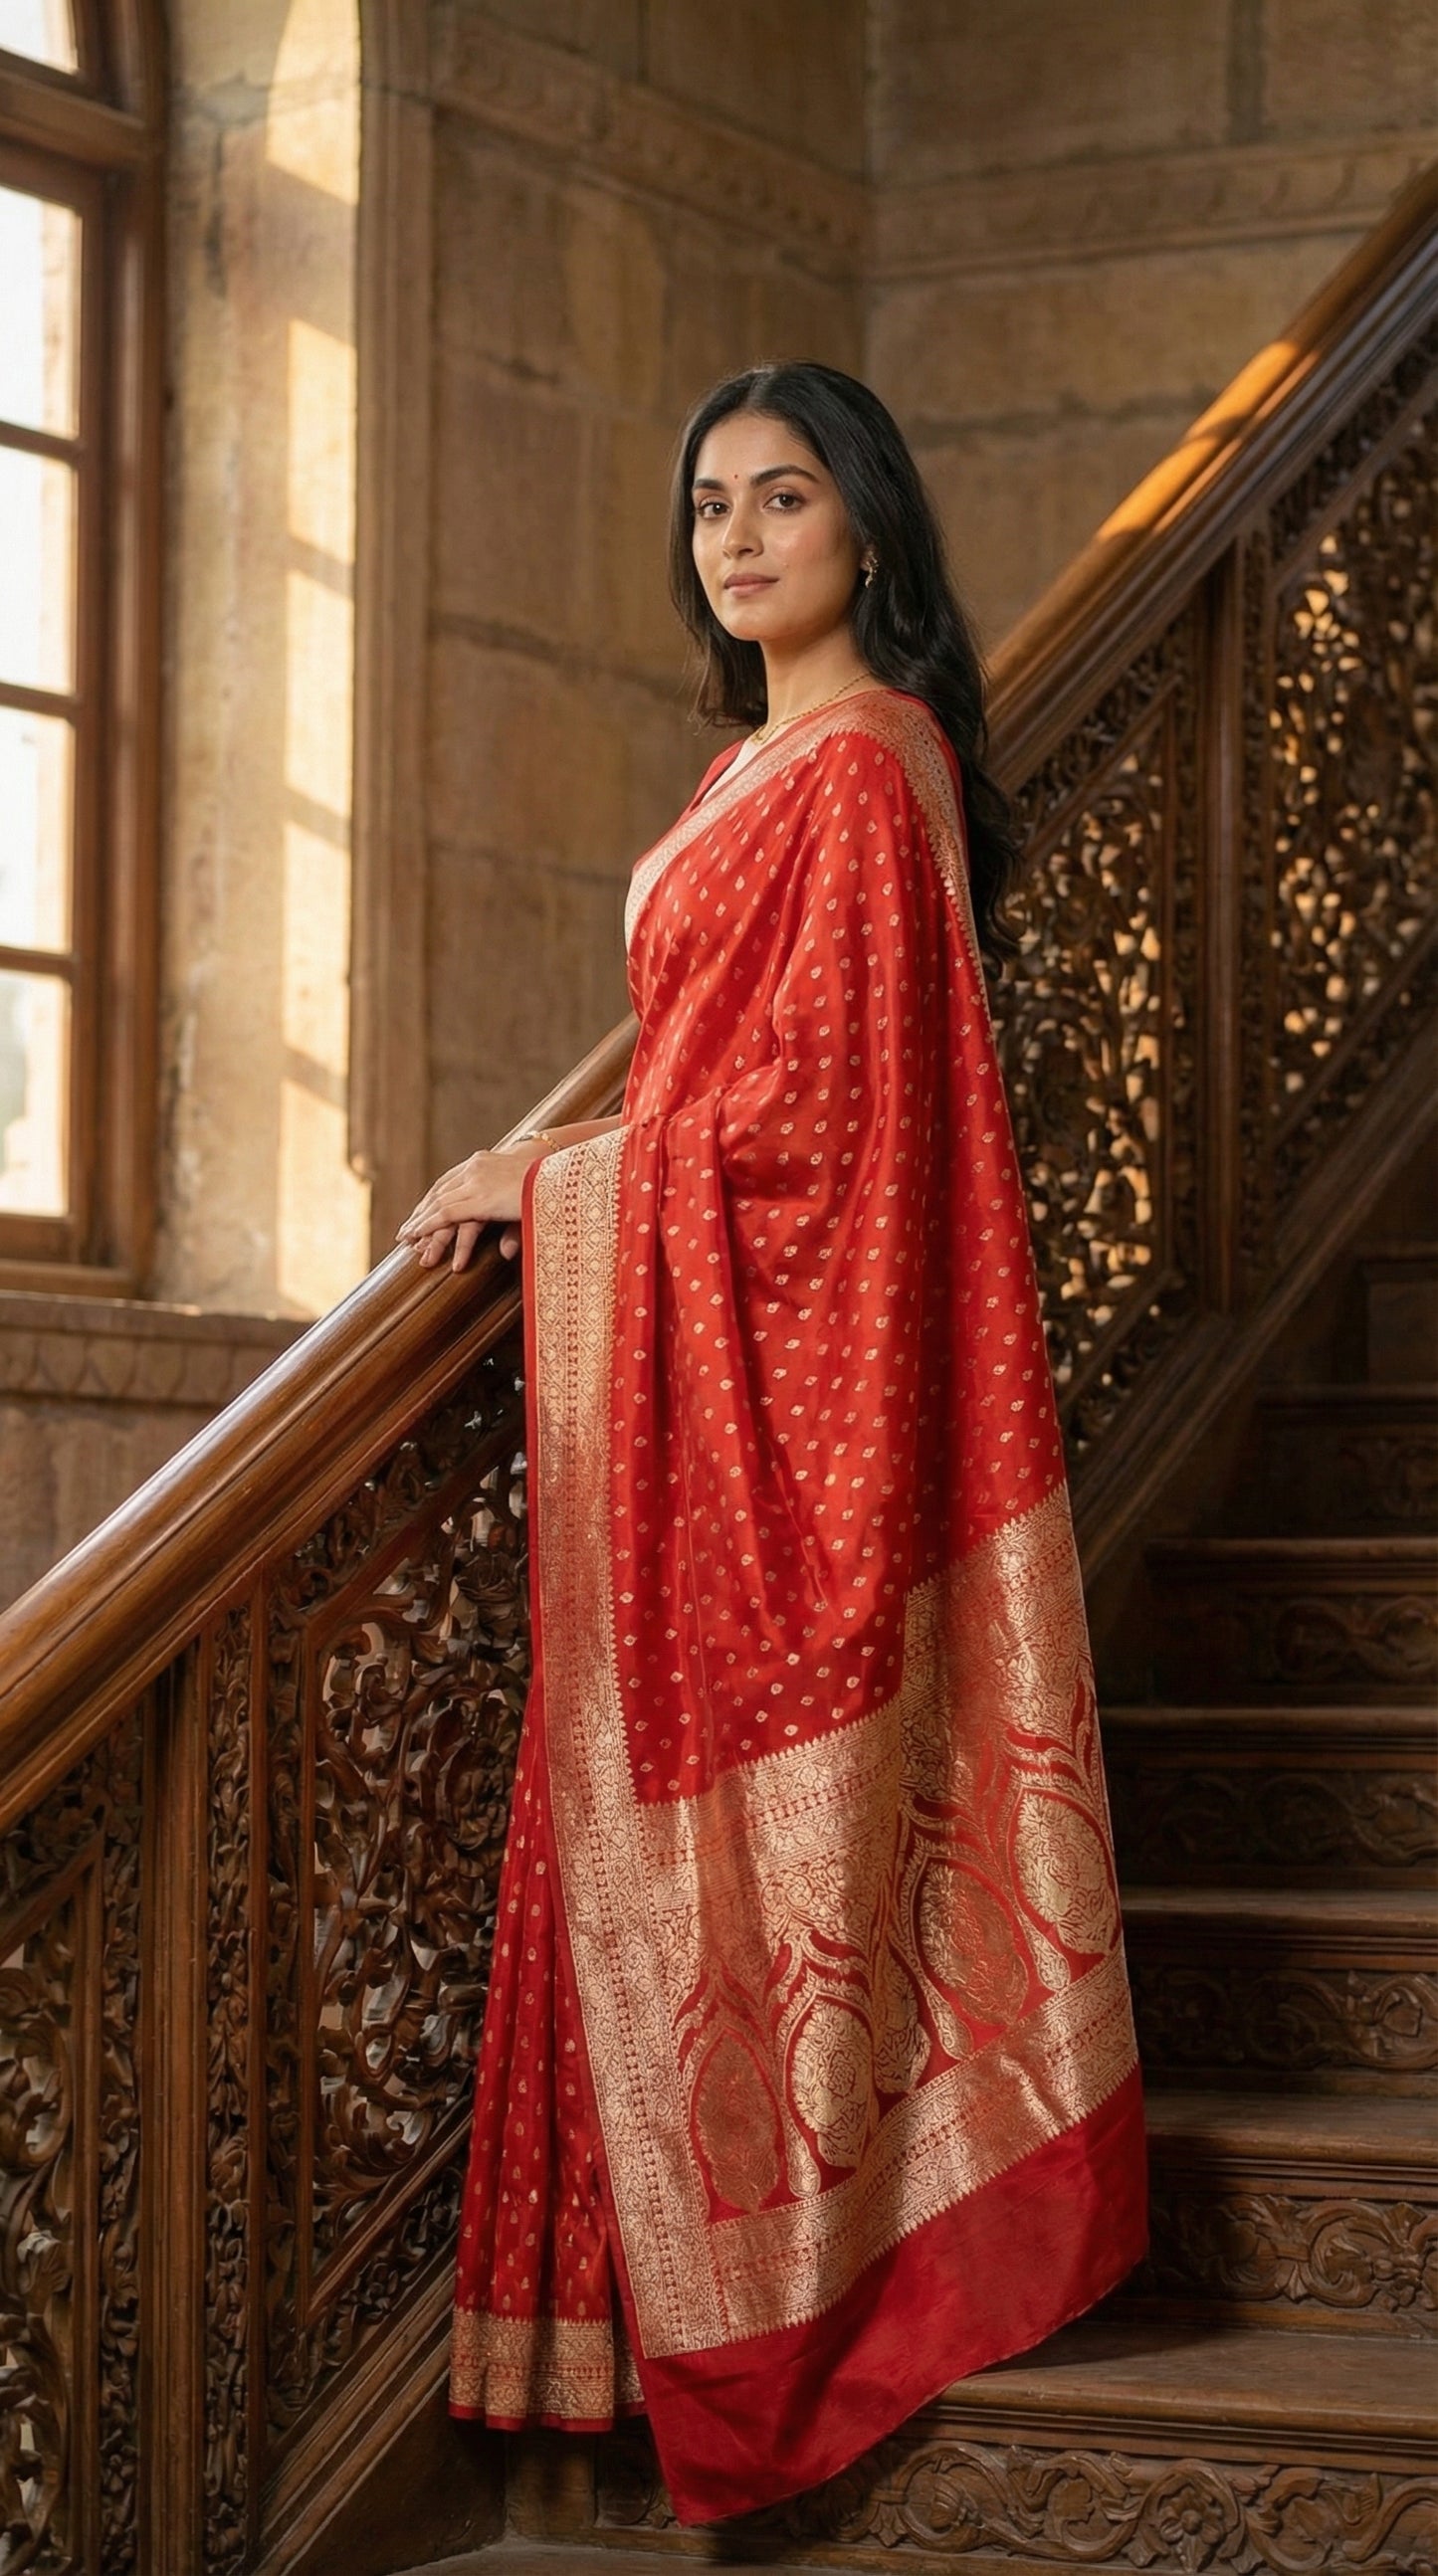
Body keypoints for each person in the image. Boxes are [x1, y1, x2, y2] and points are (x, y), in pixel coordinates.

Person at [398, 361, 1147, 2526]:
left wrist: (547, 1188)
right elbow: (713, 1075)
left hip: (775, 1363)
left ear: (870, 534)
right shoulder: (754, 766)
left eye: (786, 499)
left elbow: (816, 1123)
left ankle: (811, 2283)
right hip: (680, 1368)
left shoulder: (859, 767)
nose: (738, 539)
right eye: (711, 503)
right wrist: (570, 1159)